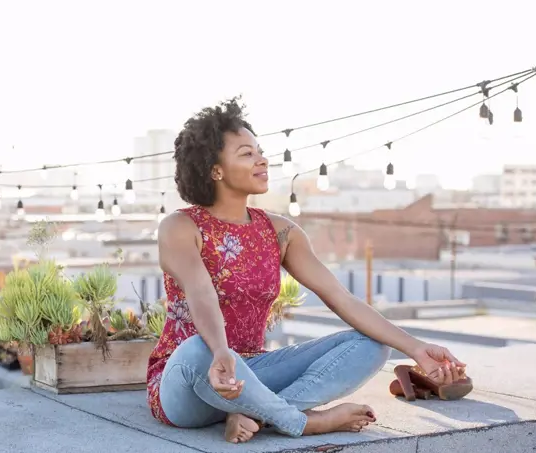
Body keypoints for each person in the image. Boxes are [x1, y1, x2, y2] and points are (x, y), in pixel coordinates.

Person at [146, 97, 467, 444]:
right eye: (246, 153)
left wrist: (416, 348)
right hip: (189, 382)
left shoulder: (280, 232)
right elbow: (200, 292)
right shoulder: (180, 227)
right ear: (215, 169)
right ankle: (303, 422)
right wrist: (221, 352)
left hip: (253, 375)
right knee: (197, 349)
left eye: (259, 150)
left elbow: (340, 298)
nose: (262, 159)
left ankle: (258, 414)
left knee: (373, 345)